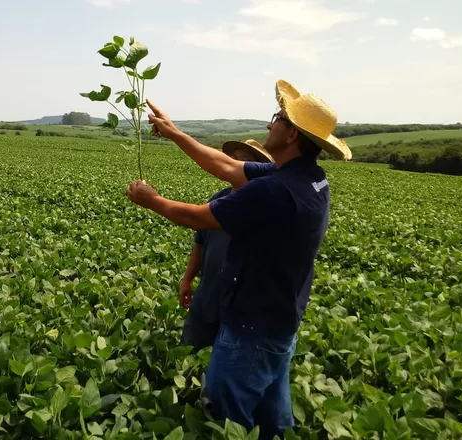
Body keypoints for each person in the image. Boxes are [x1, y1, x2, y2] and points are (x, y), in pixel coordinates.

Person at [125, 79, 352, 439]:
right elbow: (228, 167)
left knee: (227, 413)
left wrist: (151, 200)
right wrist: (175, 133)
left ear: (292, 134)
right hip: (278, 320)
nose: (269, 124)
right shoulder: (306, 177)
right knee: (272, 419)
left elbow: (199, 218)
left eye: (277, 118)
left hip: (252, 326)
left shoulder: (277, 191)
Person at [180, 139, 273, 353]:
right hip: (207, 291)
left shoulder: (262, 203)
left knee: (224, 358)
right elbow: (200, 242)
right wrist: (187, 279)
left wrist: (153, 201)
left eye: (245, 161)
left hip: (239, 301)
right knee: (189, 350)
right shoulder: (218, 199)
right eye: (234, 158)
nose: (235, 164)